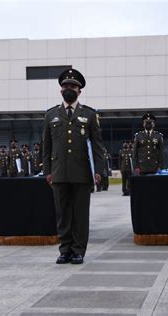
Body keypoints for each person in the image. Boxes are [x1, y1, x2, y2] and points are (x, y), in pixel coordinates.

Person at [42, 68, 104, 265]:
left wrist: (99, 171)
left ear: (80, 91)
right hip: (58, 173)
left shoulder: (90, 115)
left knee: (80, 214)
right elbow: (46, 145)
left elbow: (97, 146)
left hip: (82, 173)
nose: (69, 88)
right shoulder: (50, 115)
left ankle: (78, 250)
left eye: (73, 86)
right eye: (66, 86)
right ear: (61, 90)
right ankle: (64, 249)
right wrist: (47, 171)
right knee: (63, 214)